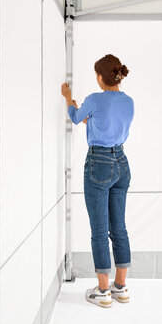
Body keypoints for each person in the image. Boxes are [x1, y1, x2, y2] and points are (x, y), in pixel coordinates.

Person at [61, 54, 134, 308]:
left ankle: (102, 291)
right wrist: (90, 117)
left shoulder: (94, 99)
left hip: (99, 164)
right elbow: (104, 121)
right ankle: (120, 288)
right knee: (119, 228)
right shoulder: (129, 102)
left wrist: (68, 98)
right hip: (122, 162)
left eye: (97, 76)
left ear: (102, 77)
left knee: (100, 230)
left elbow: (75, 116)